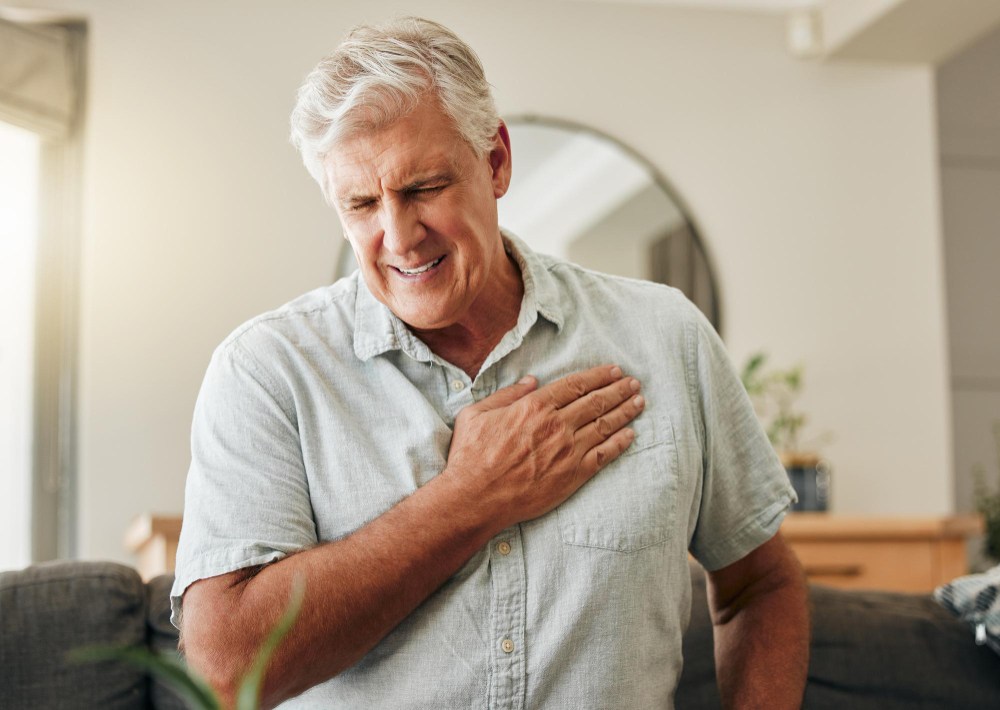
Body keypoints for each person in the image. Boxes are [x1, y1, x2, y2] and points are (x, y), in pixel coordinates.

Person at [171, 16, 809, 710]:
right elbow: (226, 672)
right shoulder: (267, 372)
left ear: (496, 160)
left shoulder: (666, 337)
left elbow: (762, 586)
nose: (399, 237)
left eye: (423, 188)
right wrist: (469, 498)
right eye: (361, 204)